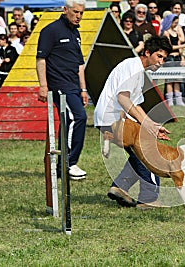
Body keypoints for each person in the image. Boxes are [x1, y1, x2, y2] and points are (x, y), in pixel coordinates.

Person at [94, 36, 172, 208]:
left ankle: (120, 187)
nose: (161, 62)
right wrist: (147, 124)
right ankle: (149, 199)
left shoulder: (138, 71)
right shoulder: (133, 67)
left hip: (112, 118)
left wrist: (151, 124)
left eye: (164, 59)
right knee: (148, 151)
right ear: (147, 52)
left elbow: (135, 104)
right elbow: (123, 99)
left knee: (138, 154)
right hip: (112, 118)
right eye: (159, 56)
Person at [36, 0, 88, 180]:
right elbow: (41, 60)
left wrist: (83, 89)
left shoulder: (76, 33)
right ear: (65, 10)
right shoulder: (50, 31)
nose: (79, 16)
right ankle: (69, 163)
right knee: (78, 117)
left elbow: (80, 64)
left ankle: (62, 168)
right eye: (76, 12)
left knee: (69, 122)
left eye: (81, 13)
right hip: (59, 85)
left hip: (74, 86)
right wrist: (43, 86)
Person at [161, 14, 185, 106]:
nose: (175, 24)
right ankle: (170, 100)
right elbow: (170, 47)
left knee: (177, 79)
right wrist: (183, 46)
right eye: (174, 22)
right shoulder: (166, 33)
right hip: (170, 57)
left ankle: (179, 100)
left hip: (177, 57)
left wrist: (182, 57)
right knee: (169, 79)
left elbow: (179, 44)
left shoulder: (176, 33)